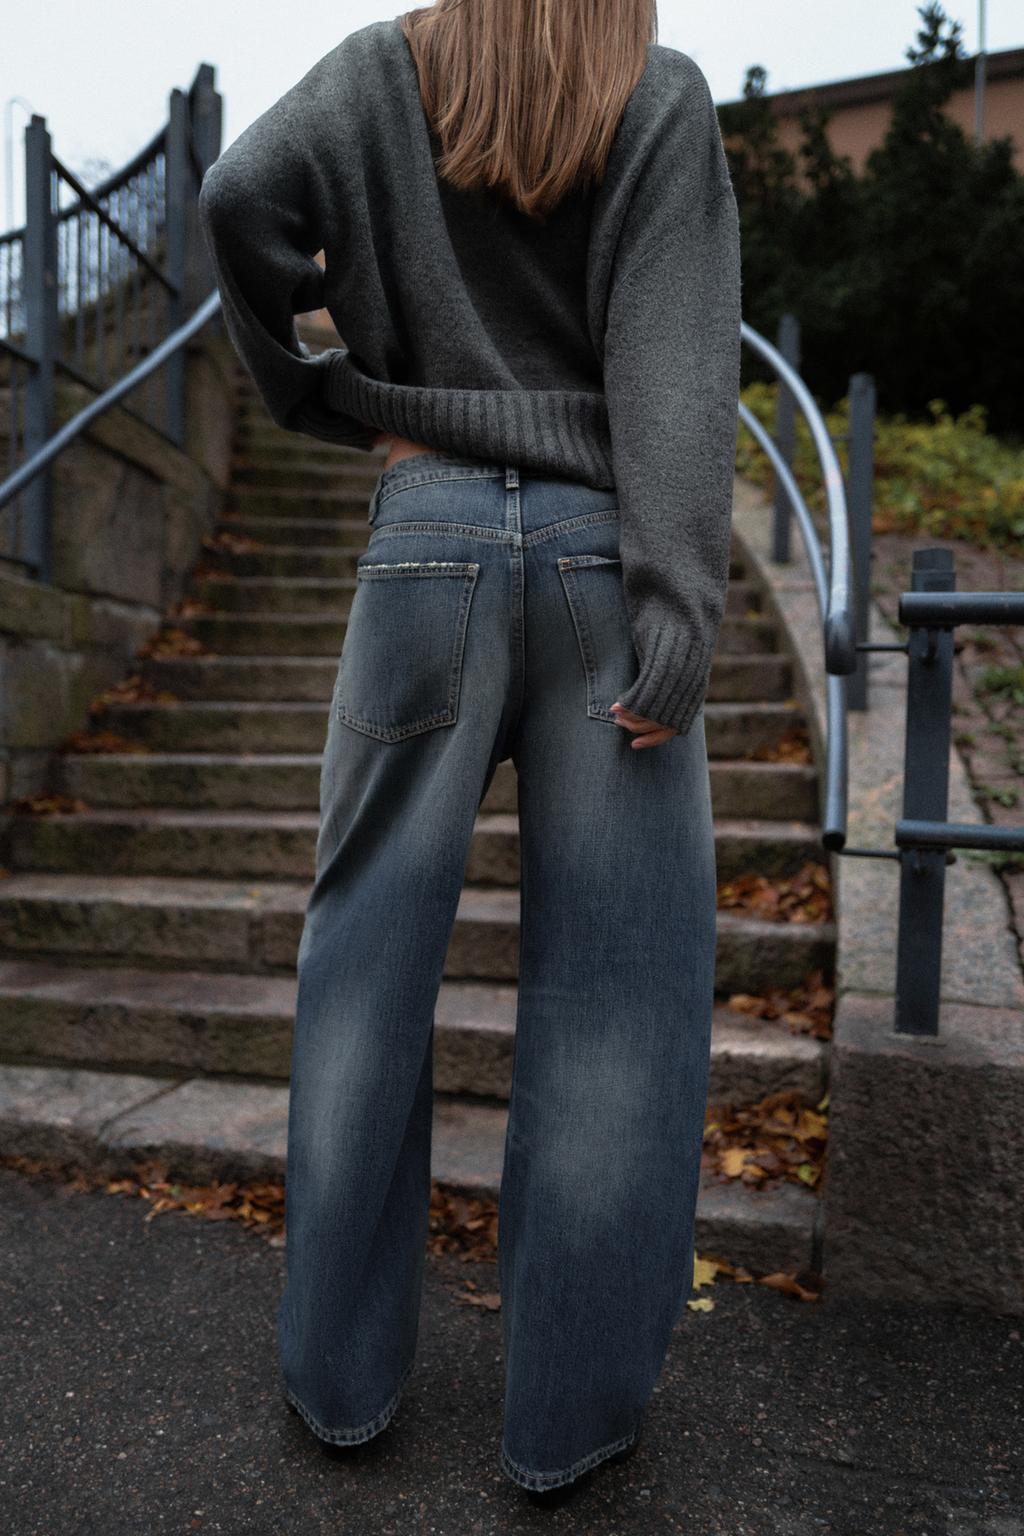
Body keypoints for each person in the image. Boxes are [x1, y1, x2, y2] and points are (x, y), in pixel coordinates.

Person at [198, 0, 742, 1503]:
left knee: (364, 963)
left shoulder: (381, 70)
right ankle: (567, 1419)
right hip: (598, 557)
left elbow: (239, 194)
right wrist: (679, 606)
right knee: (619, 994)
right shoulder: (658, 93)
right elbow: (677, 358)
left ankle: (339, 1378)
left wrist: (318, 386)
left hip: (423, 537)